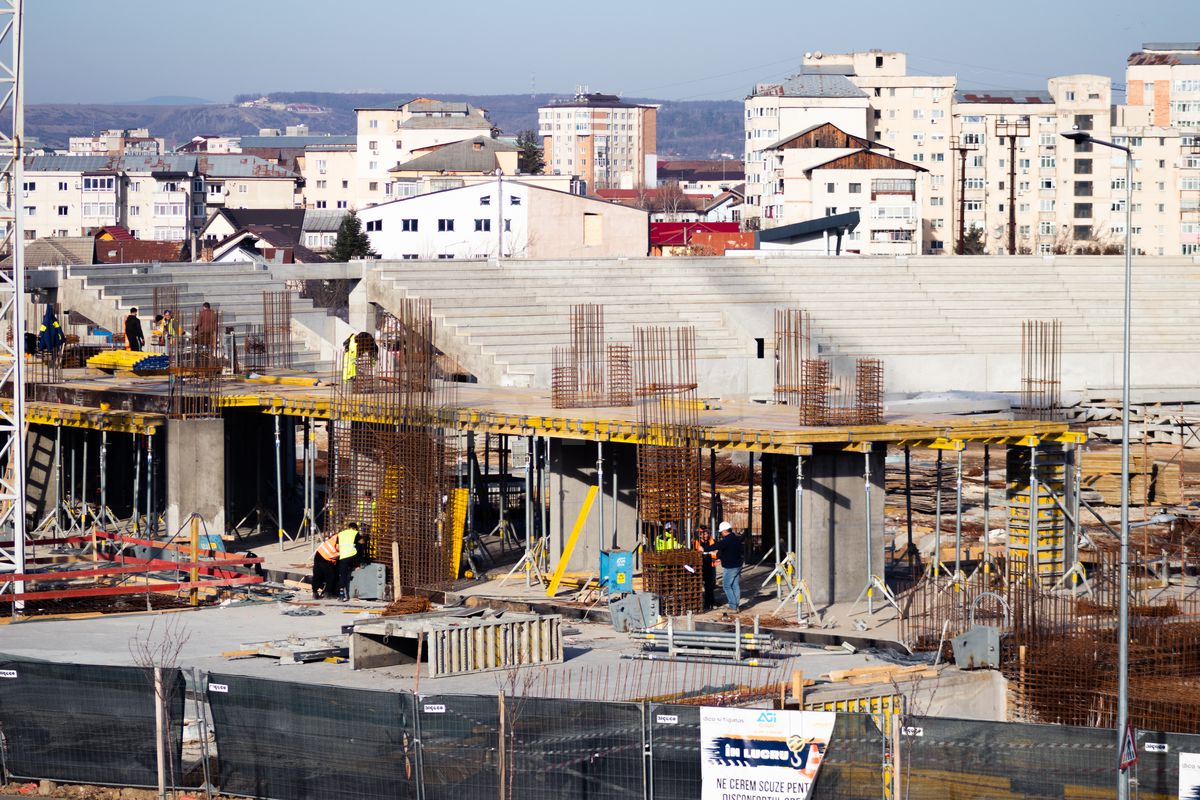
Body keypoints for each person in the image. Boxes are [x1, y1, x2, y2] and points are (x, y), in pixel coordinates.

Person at [705, 521, 745, 612]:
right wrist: (722, 558)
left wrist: (704, 548)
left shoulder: (726, 540)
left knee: (726, 586)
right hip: (738, 565)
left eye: (721, 532)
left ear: (724, 531)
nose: (721, 534)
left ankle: (733, 606)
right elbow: (730, 552)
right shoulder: (736, 539)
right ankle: (736, 605)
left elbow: (716, 546)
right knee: (735, 585)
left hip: (730, 567)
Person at [336, 522, 367, 601]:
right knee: (360, 545)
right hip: (353, 556)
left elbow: (337, 546)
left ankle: (341, 595)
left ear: (348, 527)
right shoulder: (355, 533)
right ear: (355, 528)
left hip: (343, 557)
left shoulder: (340, 534)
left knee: (342, 575)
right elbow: (362, 542)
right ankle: (361, 563)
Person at [694, 525, 717, 610]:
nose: (706, 535)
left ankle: (710, 603)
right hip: (699, 566)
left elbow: (715, 553)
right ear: (699, 535)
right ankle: (699, 603)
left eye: (707, 533)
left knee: (709, 586)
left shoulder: (712, 541)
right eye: (704, 534)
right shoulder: (695, 542)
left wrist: (707, 552)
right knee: (697, 586)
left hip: (710, 566)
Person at [312, 532, 340, 599]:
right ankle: (328, 594)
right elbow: (339, 549)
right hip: (326, 557)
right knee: (331, 576)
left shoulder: (337, 536)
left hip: (319, 553)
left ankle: (314, 592)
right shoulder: (342, 540)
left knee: (317, 574)